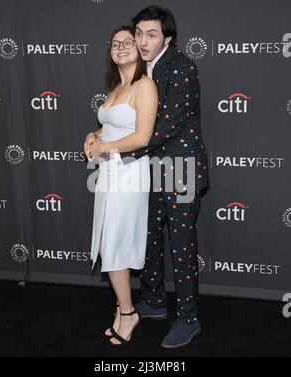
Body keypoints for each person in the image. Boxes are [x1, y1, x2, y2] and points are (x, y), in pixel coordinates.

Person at [85, 5, 209, 349]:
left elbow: (161, 126)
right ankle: (153, 301)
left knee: (182, 245)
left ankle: (188, 317)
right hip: (146, 168)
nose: (142, 40)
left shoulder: (182, 67)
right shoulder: (141, 71)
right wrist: (98, 132)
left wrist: (111, 147)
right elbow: (128, 115)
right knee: (149, 236)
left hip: (179, 166)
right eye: (138, 33)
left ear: (166, 37)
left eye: (151, 34)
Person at [84, 25, 158, 346]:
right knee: (107, 242)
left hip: (130, 173)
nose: (122, 47)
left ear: (139, 49)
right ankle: (121, 308)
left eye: (128, 42)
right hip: (109, 172)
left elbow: (142, 136)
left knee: (114, 243)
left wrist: (103, 148)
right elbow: (109, 126)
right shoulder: (116, 87)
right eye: (116, 43)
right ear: (111, 51)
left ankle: (128, 314)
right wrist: (94, 135)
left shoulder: (145, 86)